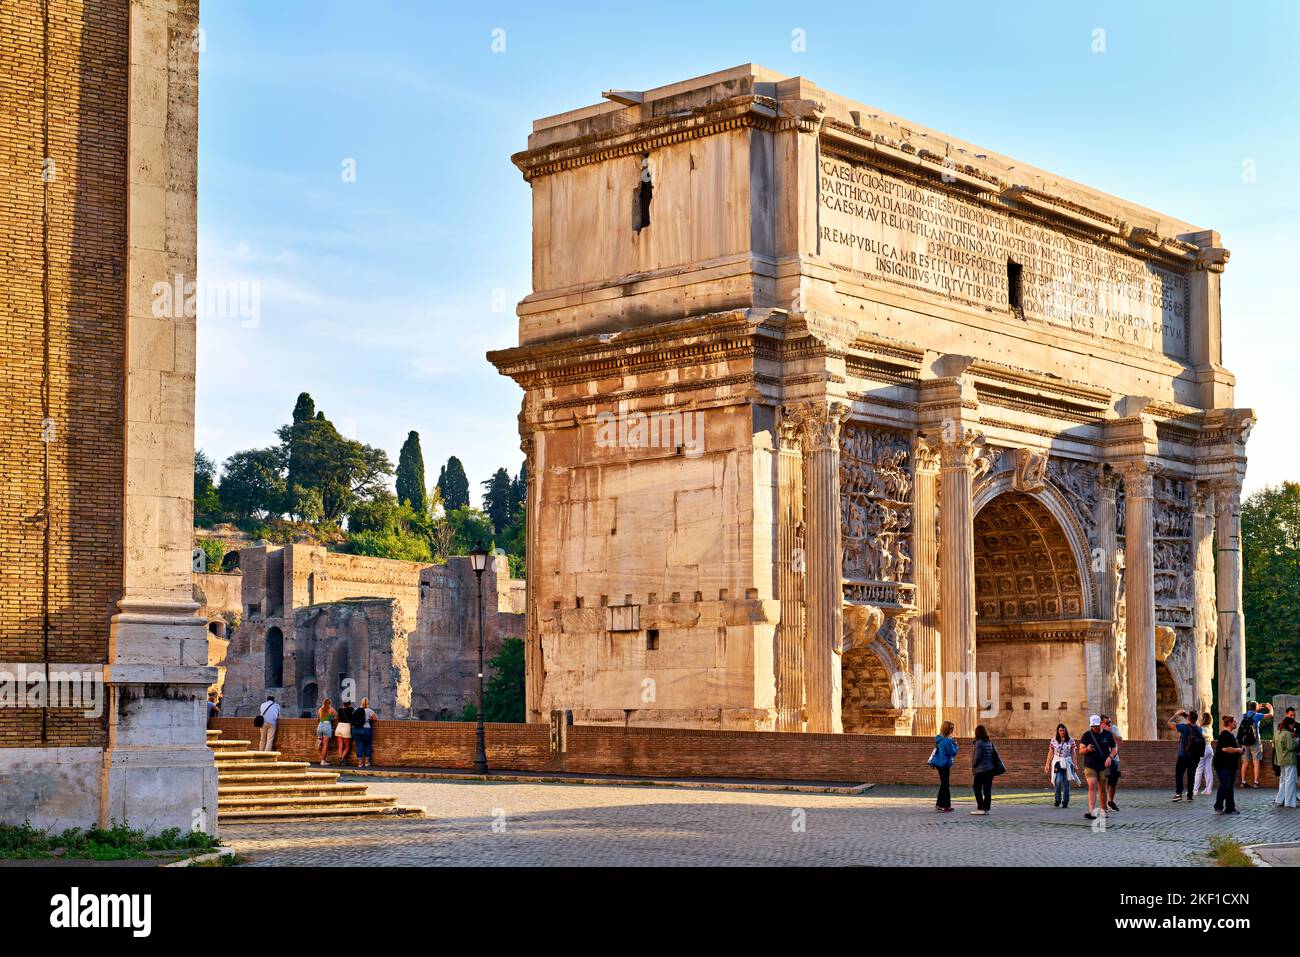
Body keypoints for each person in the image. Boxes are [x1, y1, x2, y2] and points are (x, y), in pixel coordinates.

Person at [1079, 715, 1115, 821]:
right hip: (1090, 765)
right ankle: (1092, 811)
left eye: (1096, 726)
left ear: (1100, 724)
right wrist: (1087, 749)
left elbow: (1114, 749)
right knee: (1092, 786)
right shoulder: (1086, 735)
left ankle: (1103, 810)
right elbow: (1081, 751)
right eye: (1093, 726)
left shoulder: (1108, 734)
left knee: (1102, 788)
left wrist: (1110, 758)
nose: (1094, 728)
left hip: (1103, 765)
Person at [1167, 708, 1202, 801]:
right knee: (1191, 775)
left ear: (1189, 718)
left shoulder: (1184, 727)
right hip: (1195, 756)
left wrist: (1176, 714)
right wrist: (1187, 715)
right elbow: (1196, 722)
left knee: (1179, 774)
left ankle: (1179, 794)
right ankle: (1190, 795)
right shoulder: (1199, 729)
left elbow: (1169, 723)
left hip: (1184, 755)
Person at [1213, 715, 1245, 814]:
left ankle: (1230, 807)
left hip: (1231, 765)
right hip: (1223, 764)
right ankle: (1218, 806)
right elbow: (1225, 748)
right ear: (1230, 723)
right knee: (1225, 785)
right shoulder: (1224, 734)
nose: (1236, 723)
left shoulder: (1230, 735)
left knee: (1230, 786)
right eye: (1234, 721)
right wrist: (1238, 750)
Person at [1237, 701, 1272, 788]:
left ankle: (1243, 782)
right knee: (1256, 762)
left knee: (1245, 762)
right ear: (1256, 708)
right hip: (1254, 741)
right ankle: (1256, 782)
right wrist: (1270, 708)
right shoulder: (1257, 715)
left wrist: (1256, 709)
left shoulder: (1244, 715)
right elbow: (1270, 715)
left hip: (1244, 741)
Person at [1044, 723, 1078, 809]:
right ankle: (1057, 799)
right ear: (1058, 731)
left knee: (1066, 782)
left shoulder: (1071, 740)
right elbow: (1050, 753)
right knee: (1058, 781)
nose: (1062, 732)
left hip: (1067, 762)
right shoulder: (1054, 740)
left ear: (1066, 731)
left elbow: (1073, 753)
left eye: (1063, 730)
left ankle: (1065, 802)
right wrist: (1047, 764)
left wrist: (1075, 764)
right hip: (1057, 762)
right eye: (1060, 730)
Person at [929, 720, 959, 812]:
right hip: (945, 764)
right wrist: (956, 745)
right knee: (945, 785)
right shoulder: (946, 741)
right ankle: (945, 806)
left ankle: (939, 804)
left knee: (943, 785)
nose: (952, 730)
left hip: (939, 764)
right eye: (951, 728)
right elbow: (953, 753)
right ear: (947, 729)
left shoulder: (939, 739)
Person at [970, 725, 999, 816]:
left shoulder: (979, 743)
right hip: (990, 770)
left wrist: (973, 765)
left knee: (977, 788)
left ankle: (980, 808)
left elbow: (977, 757)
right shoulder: (989, 742)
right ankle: (986, 808)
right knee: (987, 790)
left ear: (977, 733)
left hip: (981, 770)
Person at [1274, 716, 1297, 809]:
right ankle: (1289, 802)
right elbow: (1291, 747)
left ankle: (1279, 799)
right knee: (1290, 781)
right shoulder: (1287, 733)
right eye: (1292, 725)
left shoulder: (1278, 732)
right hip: (1289, 759)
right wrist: (1296, 741)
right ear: (1289, 724)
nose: (1293, 728)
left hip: (1280, 759)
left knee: (1283, 780)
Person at [1101, 715, 1123, 811]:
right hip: (1102, 760)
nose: (1110, 724)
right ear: (1101, 724)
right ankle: (1103, 803)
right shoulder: (1098, 731)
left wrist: (1110, 732)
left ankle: (1110, 801)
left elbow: (1120, 740)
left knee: (1113, 783)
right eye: (1107, 723)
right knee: (1102, 782)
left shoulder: (1114, 728)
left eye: (1110, 721)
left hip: (1114, 759)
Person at [1194, 711, 1216, 795]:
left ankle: (1195, 790)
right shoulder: (1210, 728)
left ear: (1203, 719)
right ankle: (1208, 790)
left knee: (1199, 770)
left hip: (1202, 749)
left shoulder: (1201, 728)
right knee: (1208, 770)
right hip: (1210, 748)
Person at [352, 697, 377, 769]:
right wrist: (368, 718)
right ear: (368, 703)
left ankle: (360, 763)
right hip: (366, 729)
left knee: (359, 745)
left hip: (356, 730)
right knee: (367, 745)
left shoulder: (356, 710)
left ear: (361, 702)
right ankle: (366, 762)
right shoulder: (369, 710)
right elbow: (375, 718)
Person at [316, 698, 336, 766]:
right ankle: (323, 761)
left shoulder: (320, 709)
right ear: (329, 703)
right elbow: (336, 716)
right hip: (327, 726)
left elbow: (318, 718)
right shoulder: (331, 709)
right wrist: (331, 718)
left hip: (320, 726)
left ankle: (319, 744)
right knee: (325, 745)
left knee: (320, 743)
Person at [335, 699, 355, 764]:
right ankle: (342, 759)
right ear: (349, 704)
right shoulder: (351, 709)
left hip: (339, 726)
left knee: (340, 745)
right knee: (347, 746)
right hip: (346, 726)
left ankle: (340, 758)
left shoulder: (340, 710)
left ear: (343, 704)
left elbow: (337, 718)